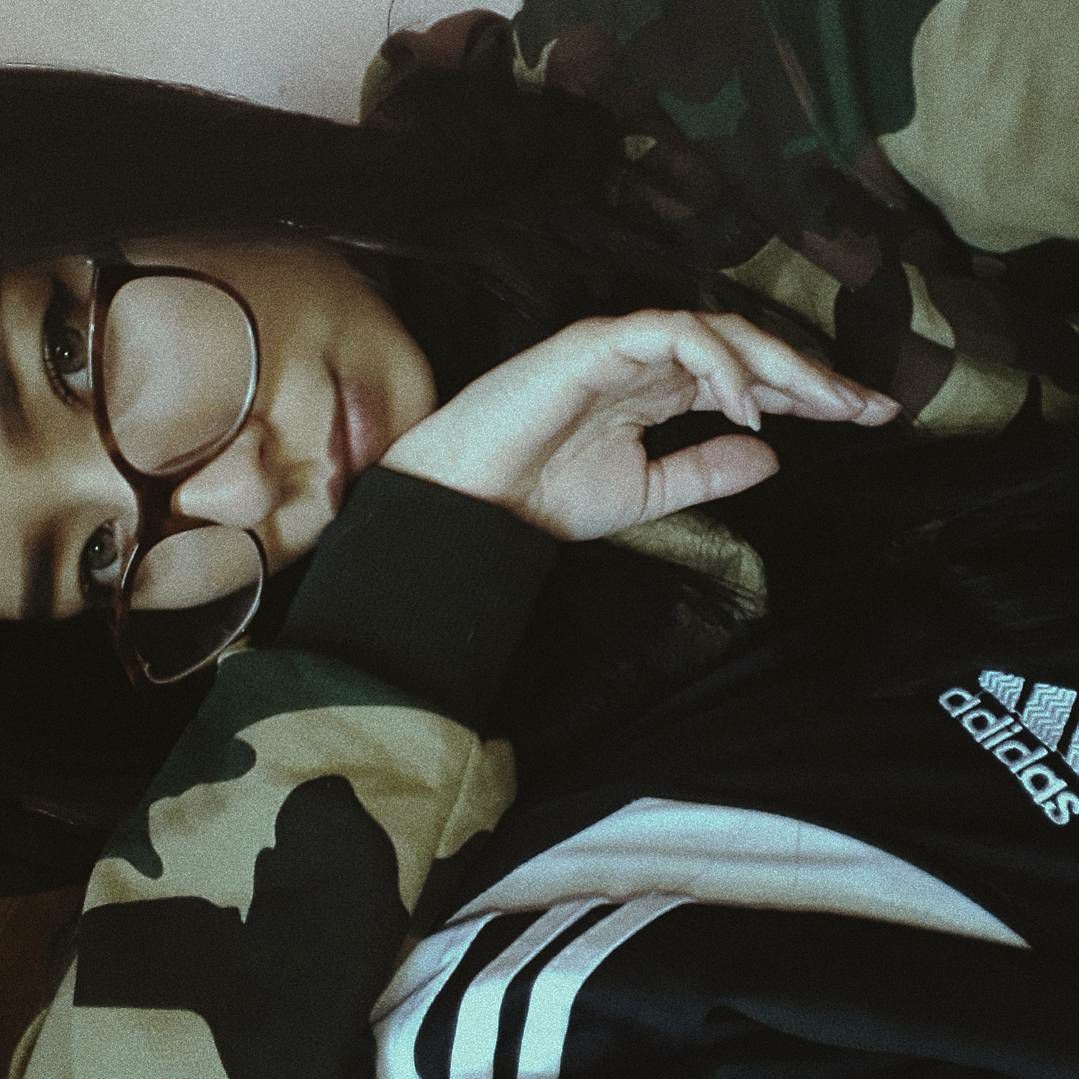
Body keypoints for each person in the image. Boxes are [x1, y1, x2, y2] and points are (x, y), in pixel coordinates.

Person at [5, 2, 1079, 1075]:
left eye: (70, 355)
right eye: (95, 558)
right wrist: (411, 581)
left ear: (130, 178)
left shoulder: (660, 88)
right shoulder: (328, 779)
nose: (237, 487)